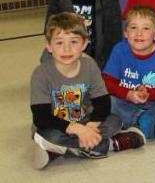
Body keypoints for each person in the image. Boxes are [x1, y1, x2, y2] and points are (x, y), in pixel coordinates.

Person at [31, 13, 145, 170]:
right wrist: (77, 129)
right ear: (49, 46)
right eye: (59, 42)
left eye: (74, 42)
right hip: (58, 126)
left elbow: (103, 102)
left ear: (84, 44)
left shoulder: (89, 65)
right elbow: (41, 117)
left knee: (115, 121)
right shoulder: (41, 74)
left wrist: (91, 126)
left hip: (86, 120)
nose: (66, 48)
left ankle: (58, 151)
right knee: (45, 135)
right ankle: (111, 144)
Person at [103, 6, 155, 144]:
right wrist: (127, 94)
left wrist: (148, 93)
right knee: (106, 101)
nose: (139, 33)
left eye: (146, 28)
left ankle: (137, 124)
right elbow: (107, 82)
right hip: (126, 101)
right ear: (125, 33)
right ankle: (154, 127)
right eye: (133, 27)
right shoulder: (119, 50)